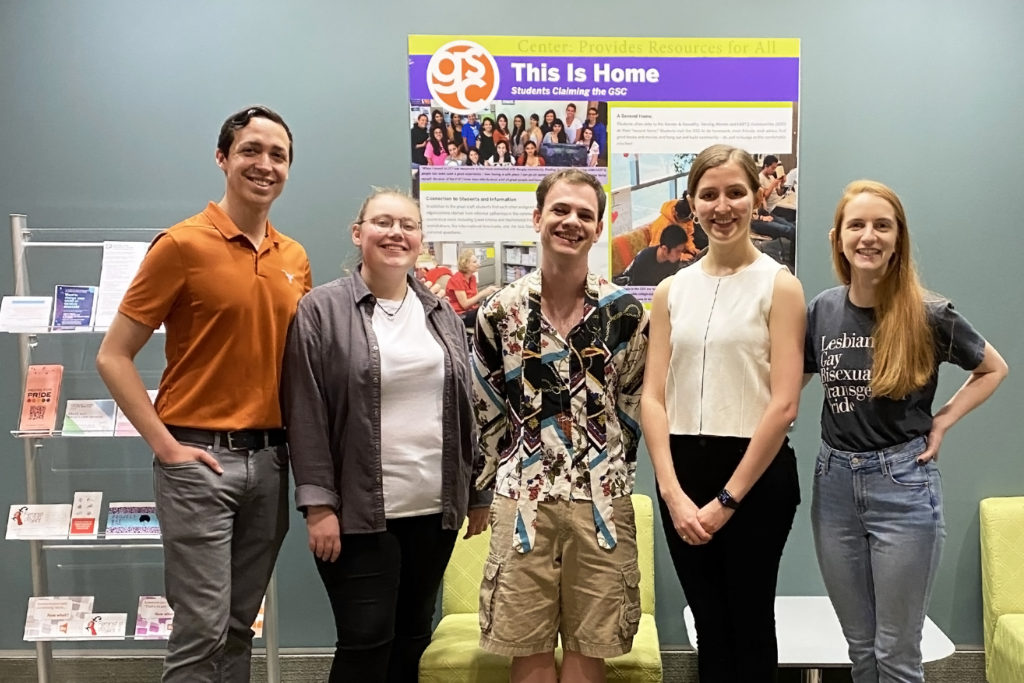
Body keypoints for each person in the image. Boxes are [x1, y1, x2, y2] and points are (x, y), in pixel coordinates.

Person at [96, 105, 312, 682]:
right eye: (251, 151)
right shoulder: (181, 245)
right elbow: (112, 355)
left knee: (241, 627)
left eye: (278, 155)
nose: (264, 165)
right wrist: (166, 446)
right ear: (222, 158)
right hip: (199, 463)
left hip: (270, 461)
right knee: (201, 632)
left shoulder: (295, 259)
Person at [804, 180, 1008, 683]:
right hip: (832, 487)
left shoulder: (929, 313)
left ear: (899, 239)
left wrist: (943, 420)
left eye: (882, 226)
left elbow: (993, 368)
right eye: (857, 225)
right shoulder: (823, 309)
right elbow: (791, 381)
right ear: (838, 238)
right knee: (860, 649)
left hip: (903, 487)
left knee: (896, 654)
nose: (868, 236)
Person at [282, 189, 488, 682]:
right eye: (383, 222)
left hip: (432, 512)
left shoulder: (441, 315)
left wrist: (478, 490)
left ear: (420, 241)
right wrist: (318, 506)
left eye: (408, 225)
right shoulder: (321, 310)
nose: (396, 233)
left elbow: (470, 409)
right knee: (365, 641)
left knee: (413, 636)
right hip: (357, 513)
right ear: (359, 234)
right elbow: (304, 411)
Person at [473, 169, 649, 683]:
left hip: (602, 499)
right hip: (524, 496)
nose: (572, 222)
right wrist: (486, 487)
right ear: (537, 217)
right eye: (560, 210)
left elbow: (635, 405)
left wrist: (614, 473)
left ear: (599, 229)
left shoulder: (625, 314)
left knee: (588, 648)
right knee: (524, 647)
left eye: (585, 215)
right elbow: (486, 409)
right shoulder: (499, 312)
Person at [640, 144, 805, 683]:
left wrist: (727, 499)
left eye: (735, 192)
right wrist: (671, 491)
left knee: (750, 622)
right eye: (708, 194)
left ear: (757, 198)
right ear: (691, 203)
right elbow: (653, 397)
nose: (722, 205)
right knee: (708, 625)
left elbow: (783, 405)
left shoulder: (780, 284)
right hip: (683, 476)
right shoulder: (670, 290)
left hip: (756, 476)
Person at [619, 224, 691, 286]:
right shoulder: (643, 260)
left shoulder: (673, 260)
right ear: (664, 249)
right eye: (678, 251)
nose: (680, 255)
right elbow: (638, 290)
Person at [445, 248, 498, 327]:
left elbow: (474, 300)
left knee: (493, 308)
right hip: (460, 316)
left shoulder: (472, 278)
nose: (478, 264)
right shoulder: (456, 279)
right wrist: (483, 293)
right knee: (489, 314)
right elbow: (465, 304)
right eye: (474, 262)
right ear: (465, 264)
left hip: (471, 311)